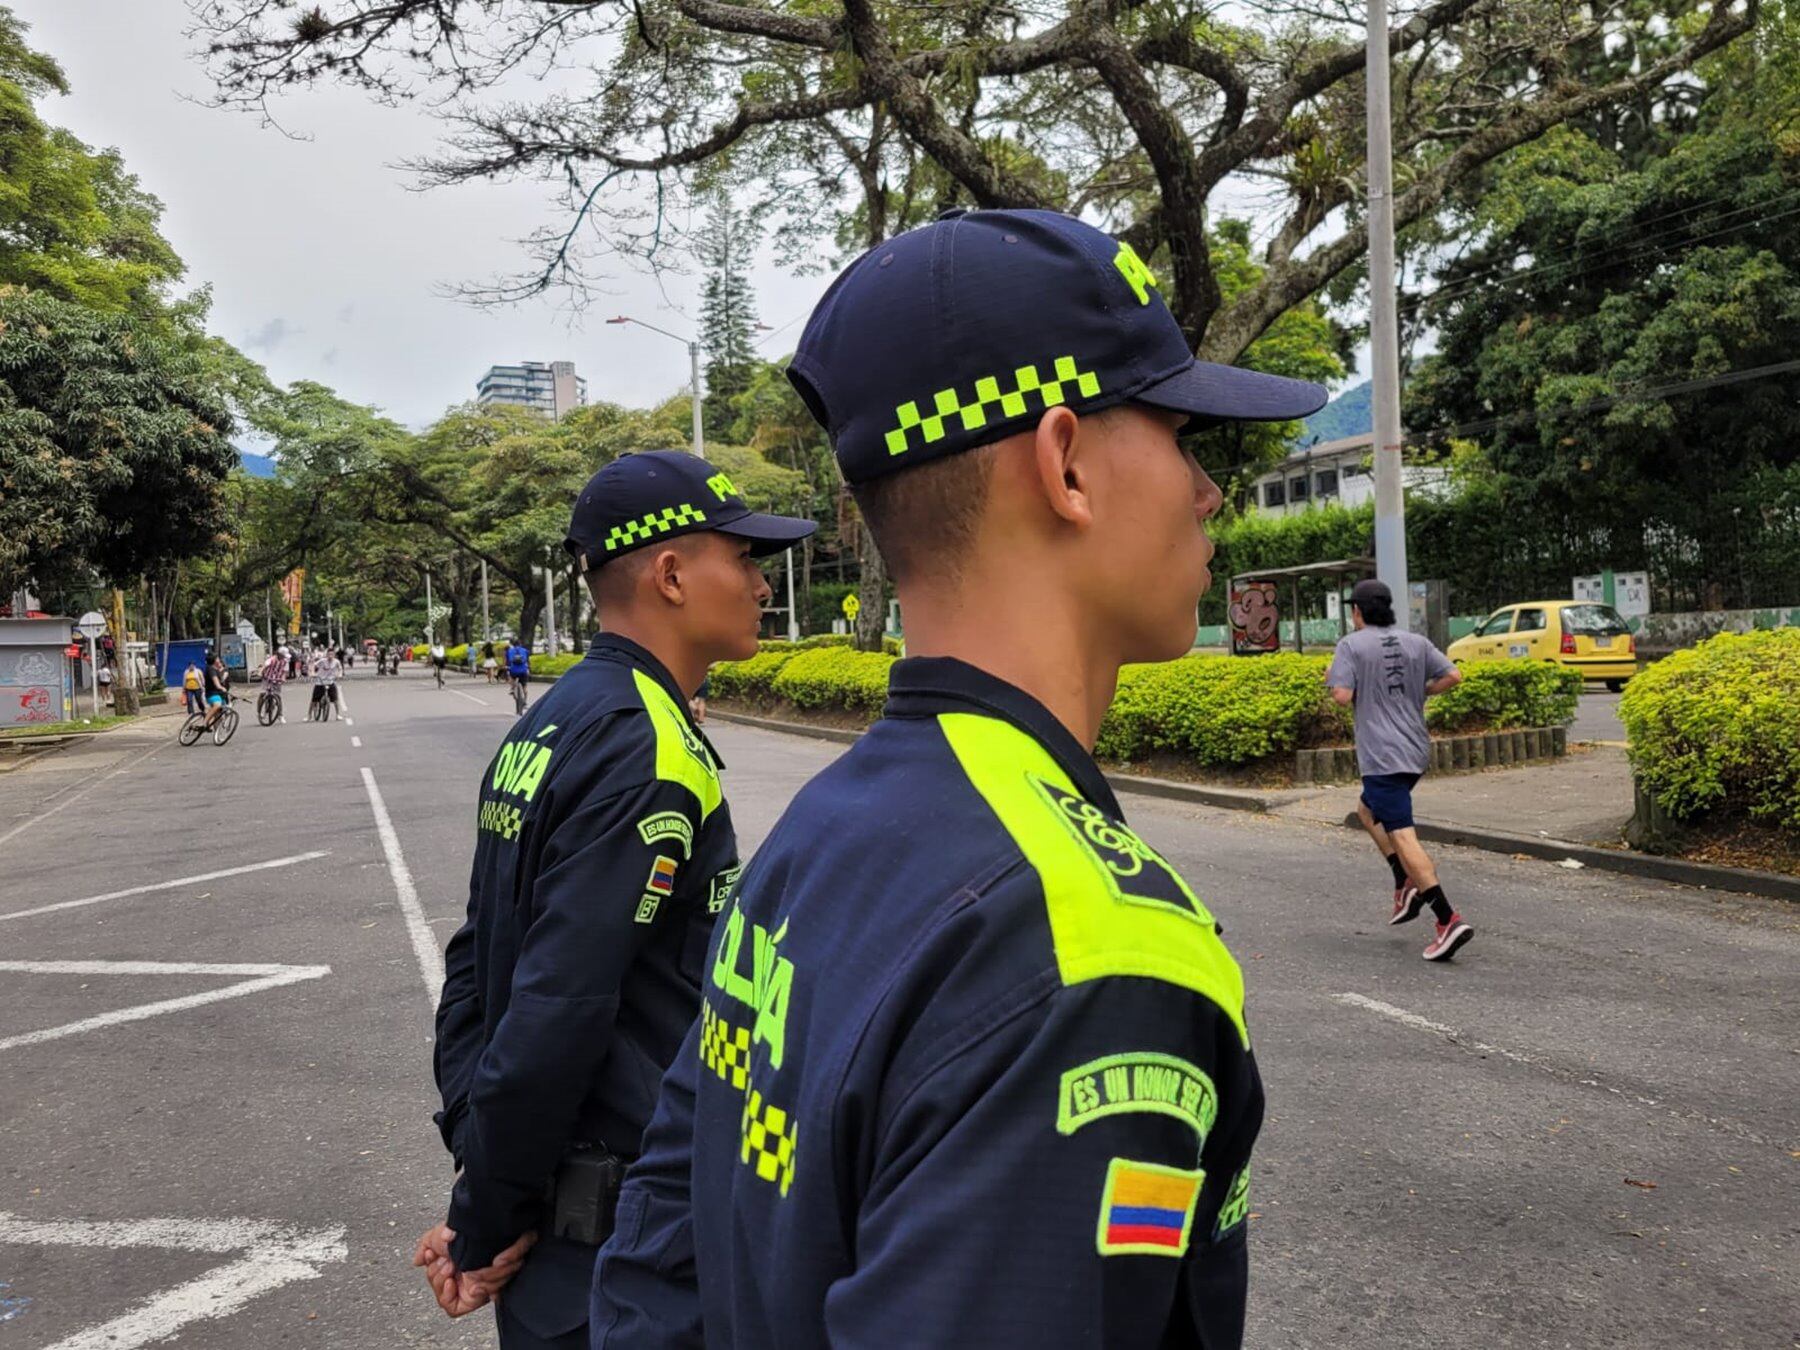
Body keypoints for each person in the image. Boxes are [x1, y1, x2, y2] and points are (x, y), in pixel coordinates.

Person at [591, 208, 1326, 1348]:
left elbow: (660, 1240)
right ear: (1067, 465)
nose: (1207, 489)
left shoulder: (822, 826)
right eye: (1184, 435)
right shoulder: (1089, 948)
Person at [415, 451, 813, 1349]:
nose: (761, 582)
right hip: (624, 1256)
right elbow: (558, 1007)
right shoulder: (646, 746)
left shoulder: (556, 719)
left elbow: (477, 970)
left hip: (567, 1233)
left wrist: (486, 1190)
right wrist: (489, 1218)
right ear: (671, 575)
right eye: (744, 557)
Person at [1326, 578, 1473, 961]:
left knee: (1403, 837)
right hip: (1413, 752)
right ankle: (1403, 880)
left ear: (1356, 611)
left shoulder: (1350, 645)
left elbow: (1341, 696)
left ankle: (1447, 919)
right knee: (1366, 810)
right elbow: (1453, 675)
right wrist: (1421, 691)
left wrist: (1348, 684)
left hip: (1382, 757)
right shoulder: (1416, 642)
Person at [201, 651, 230, 727]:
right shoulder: (211, 669)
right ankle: (205, 721)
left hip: (219, 694)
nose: (219, 660)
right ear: (214, 660)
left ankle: (216, 733)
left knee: (219, 714)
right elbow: (216, 684)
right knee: (217, 705)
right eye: (217, 658)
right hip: (212, 694)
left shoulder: (216, 669)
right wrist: (221, 688)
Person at [504, 635, 531, 704]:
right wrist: (528, 668)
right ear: (520, 644)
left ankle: (512, 688)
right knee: (524, 686)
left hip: (513, 670)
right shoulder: (525, 650)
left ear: (513, 644)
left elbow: (507, 661)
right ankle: (525, 700)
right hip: (523, 670)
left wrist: (506, 666)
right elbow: (528, 660)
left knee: (510, 676)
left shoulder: (509, 651)